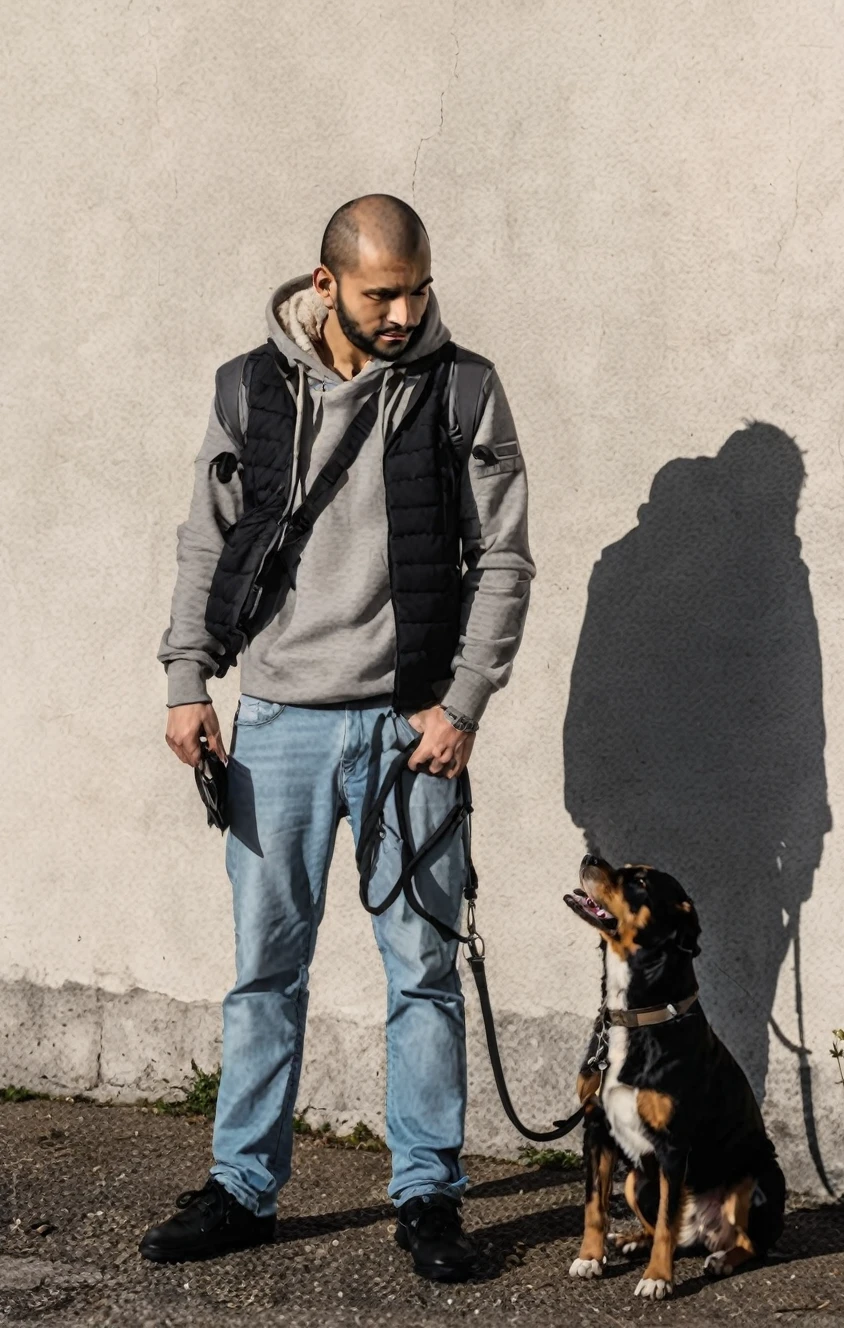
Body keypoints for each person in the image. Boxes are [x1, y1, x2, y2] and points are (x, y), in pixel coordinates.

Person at [142, 195, 534, 1281]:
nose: (408, 310)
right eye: (381, 294)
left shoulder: (464, 388)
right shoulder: (250, 387)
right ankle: (243, 1186)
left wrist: (461, 705)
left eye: (418, 287)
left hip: (412, 727)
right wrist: (188, 680)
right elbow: (203, 536)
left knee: (424, 970)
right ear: (326, 287)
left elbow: (504, 558)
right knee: (264, 968)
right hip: (277, 723)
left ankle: (429, 1195)